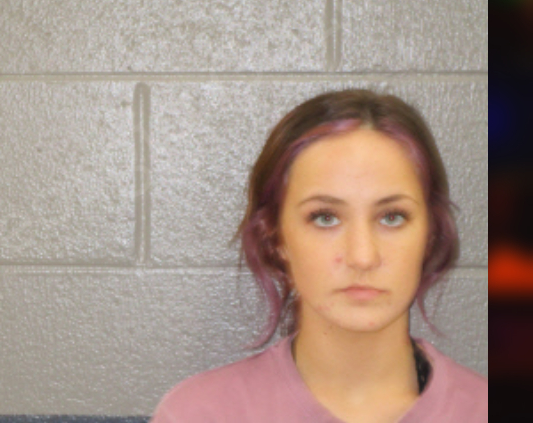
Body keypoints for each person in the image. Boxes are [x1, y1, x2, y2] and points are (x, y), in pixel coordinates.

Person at [150, 89, 488, 423]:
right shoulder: (196, 414)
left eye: (391, 217)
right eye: (325, 218)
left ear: (429, 235)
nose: (362, 257)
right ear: (276, 237)